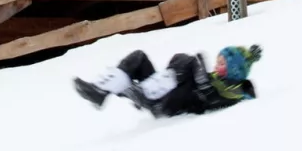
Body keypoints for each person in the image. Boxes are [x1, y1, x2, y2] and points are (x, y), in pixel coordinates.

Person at [73, 44, 262, 118]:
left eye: (222, 64)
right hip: (165, 93)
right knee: (139, 57)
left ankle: (148, 93)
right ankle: (99, 91)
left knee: (189, 60)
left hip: (173, 103)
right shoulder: (213, 78)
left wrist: (247, 60)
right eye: (218, 60)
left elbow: (236, 98)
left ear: (235, 70)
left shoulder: (234, 89)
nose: (216, 65)